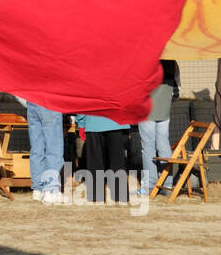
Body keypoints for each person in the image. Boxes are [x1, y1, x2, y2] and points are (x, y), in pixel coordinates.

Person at [138, 60, 180, 195]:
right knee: (163, 144)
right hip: (164, 109)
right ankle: (167, 184)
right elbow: (177, 90)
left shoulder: (144, 60)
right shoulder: (173, 63)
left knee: (148, 147)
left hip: (146, 109)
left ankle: (149, 185)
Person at [74, 112, 130, 203]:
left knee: (95, 162)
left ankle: (96, 196)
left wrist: (81, 123)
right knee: (117, 161)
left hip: (93, 121)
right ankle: (120, 195)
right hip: (117, 120)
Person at [24, 101, 64, 204]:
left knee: (37, 148)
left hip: (32, 102)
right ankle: (51, 189)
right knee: (54, 147)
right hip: (50, 101)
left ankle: (38, 189)